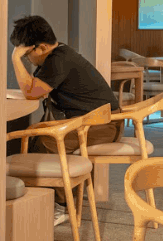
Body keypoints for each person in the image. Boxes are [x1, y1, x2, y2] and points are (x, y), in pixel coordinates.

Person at [8, 14, 120, 147]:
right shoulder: (58, 54)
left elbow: (31, 93)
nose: (26, 59)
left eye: (26, 54)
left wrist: (15, 58)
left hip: (102, 125)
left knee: (42, 142)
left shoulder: (57, 61)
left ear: (42, 48)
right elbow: (35, 87)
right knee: (37, 136)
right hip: (94, 121)